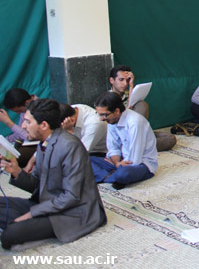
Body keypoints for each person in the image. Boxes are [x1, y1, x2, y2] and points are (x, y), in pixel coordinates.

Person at [0, 99, 106, 250]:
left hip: (73, 212)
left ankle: (30, 227)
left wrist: (31, 214)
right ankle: (30, 225)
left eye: (28, 122)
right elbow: (38, 186)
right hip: (48, 204)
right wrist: (16, 171)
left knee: (9, 235)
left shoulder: (70, 146)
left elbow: (72, 196)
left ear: (43, 125)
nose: (23, 126)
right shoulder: (43, 142)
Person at [90, 92, 158, 189]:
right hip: (120, 162)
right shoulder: (111, 120)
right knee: (86, 159)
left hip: (141, 164)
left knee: (123, 174)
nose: (101, 119)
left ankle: (107, 175)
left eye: (104, 115)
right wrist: (117, 163)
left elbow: (135, 158)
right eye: (99, 114)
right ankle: (107, 177)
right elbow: (113, 147)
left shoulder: (135, 122)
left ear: (117, 111)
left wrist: (120, 166)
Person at [0, 88, 37, 166]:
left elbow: (29, 136)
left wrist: (8, 122)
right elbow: (19, 135)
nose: (18, 113)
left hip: (38, 145)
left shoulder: (39, 109)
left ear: (27, 103)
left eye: (19, 110)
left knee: (9, 158)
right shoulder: (26, 108)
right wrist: (5, 142)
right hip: (27, 144)